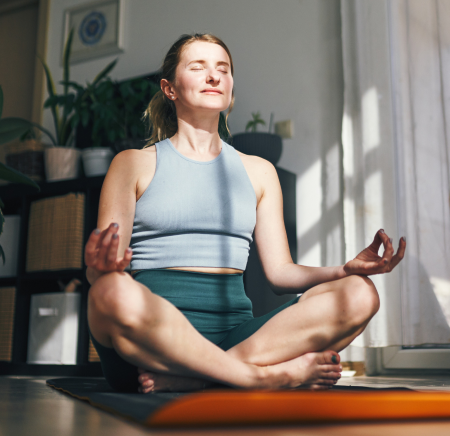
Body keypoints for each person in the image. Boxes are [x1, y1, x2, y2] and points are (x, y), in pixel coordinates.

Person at [85, 33, 406, 394]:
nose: (214, 76)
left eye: (223, 68)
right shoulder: (132, 164)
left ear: (231, 87)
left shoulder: (259, 171)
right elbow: (105, 271)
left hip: (238, 338)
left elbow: (280, 274)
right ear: (169, 89)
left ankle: (202, 378)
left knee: (361, 294)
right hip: (152, 346)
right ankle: (260, 376)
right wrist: (98, 270)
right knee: (109, 291)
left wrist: (343, 270)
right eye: (198, 67)